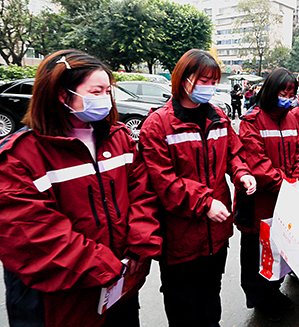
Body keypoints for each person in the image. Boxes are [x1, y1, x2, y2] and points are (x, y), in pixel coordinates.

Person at [0, 49, 162, 327]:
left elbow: (142, 194)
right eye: (96, 91)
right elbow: (33, 234)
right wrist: (106, 267)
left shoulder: (118, 138)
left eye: (108, 91)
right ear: (62, 95)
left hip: (119, 284)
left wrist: (139, 247)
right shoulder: (20, 155)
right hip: (57, 298)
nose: (105, 99)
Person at [138, 49, 256, 327]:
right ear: (183, 79)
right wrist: (205, 203)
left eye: (213, 81)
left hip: (216, 232)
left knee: (210, 297)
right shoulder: (159, 124)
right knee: (183, 304)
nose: (210, 87)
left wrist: (242, 173)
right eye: (203, 80)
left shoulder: (217, 116)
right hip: (180, 235)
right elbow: (163, 180)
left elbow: (233, 153)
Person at [235, 68, 299, 322]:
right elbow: (258, 165)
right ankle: (259, 297)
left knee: (279, 249)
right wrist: (288, 184)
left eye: (291, 93)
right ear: (270, 91)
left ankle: (273, 291)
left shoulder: (291, 119)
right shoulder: (251, 120)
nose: (287, 98)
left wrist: (298, 177)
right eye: (283, 93)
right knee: (256, 253)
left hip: (286, 199)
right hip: (260, 201)